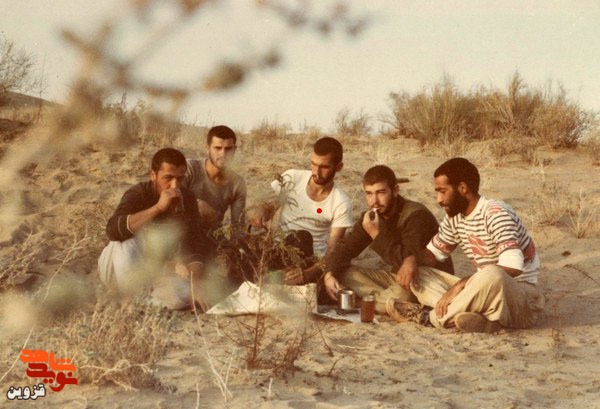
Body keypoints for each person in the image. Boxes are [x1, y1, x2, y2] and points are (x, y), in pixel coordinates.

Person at [387, 157, 545, 333]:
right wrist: (410, 260)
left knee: (492, 273)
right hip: (481, 292)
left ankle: (428, 317)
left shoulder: (496, 214)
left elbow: (512, 267)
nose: (439, 199)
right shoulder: (455, 217)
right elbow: (432, 255)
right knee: (420, 272)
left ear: (462, 188)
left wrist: (461, 285)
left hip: (521, 300)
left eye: (443, 191)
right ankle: (479, 319)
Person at [323, 165, 453, 313]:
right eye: (369, 194)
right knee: (342, 273)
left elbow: (408, 261)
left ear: (395, 190)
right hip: (397, 279)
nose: (374, 201)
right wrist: (329, 274)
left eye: (381, 192)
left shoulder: (415, 215)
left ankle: (364, 303)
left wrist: (376, 235)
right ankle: (385, 301)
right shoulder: (372, 216)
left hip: (426, 281)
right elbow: (345, 248)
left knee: (403, 295)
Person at [98, 148, 211, 310]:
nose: (174, 185)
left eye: (180, 179)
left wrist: (195, 285)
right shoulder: (138, 193)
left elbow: (194, 244)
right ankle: (128, 299)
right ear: (153, 175)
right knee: (125, 239)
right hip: (117, 266)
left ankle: (141, 301)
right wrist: (158, 208)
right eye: (168, 178)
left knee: (186, 294)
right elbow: (113, 230)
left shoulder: (187, 197)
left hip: (153, 273)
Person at [247, 137, 353, 286]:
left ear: (339, 167)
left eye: (324, 167)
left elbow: (332, 251)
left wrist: (307, 274)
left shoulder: (340, 201)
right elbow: (268, 204)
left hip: (309, 260)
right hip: (279, 249)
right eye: (313, 164)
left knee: (302, 237)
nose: (316, 172)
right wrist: (261, 212)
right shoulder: (293, 177)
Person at [183, 125, 246, 234]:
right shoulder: (191, 168)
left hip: (212, 236)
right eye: (217, 148)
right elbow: (171, 195)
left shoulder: (238, 183)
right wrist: (195, 203)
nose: (223, 154)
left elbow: (237, 225)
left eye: (228, 149)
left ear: (234, 150)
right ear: (207, 148)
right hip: (182, 230)